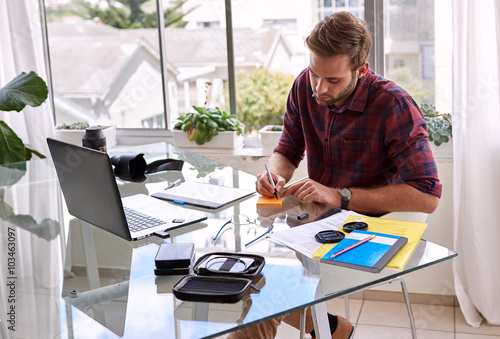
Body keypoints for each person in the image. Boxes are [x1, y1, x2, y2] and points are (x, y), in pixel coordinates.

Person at [235, 11, 442, 339]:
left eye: (334, 80)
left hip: (372, 231)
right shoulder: (305, 85)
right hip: (317, 222)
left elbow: (427, 196)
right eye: (316, 74)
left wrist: (341, 195)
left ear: (361, 69)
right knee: (244, 275)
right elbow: (288, 147)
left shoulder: (394, 105)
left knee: (263, 288)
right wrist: (273, 175)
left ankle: (330, 328)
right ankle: (331, 329)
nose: (320, 88)